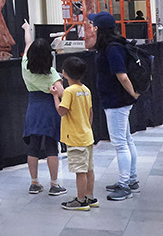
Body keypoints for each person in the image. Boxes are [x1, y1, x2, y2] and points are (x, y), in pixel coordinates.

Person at [85, 12, 140, 200]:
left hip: (117, 101)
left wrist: (132, 93)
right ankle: (131, 179)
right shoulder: (112, 46)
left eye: (93, 24)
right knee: (126, 140)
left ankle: (125, 185)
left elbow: (122, 75)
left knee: (120, 143)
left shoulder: (112, 49)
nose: (91, 26)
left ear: (98, 28)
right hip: (119, 100)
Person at [20, 21, 67, 198]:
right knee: (51, 146)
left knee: (33, 146)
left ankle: (34, 182)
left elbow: (28, 43)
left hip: (33, 109)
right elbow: (62, 94)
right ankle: (54, 184)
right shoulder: (52, 76)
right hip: (49, 110)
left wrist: (27, 29)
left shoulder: (25, 65)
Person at [54, 55, 96, 211]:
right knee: (89, 169)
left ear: (64, 73)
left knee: (80, 171)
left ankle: (80, 200)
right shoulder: (86, 90)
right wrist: (87, 127)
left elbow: (62, 111)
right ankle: (90, 197)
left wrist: (55, 97)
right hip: (87, 136)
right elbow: (90, 112)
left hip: (75, 139)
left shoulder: (69, 91)